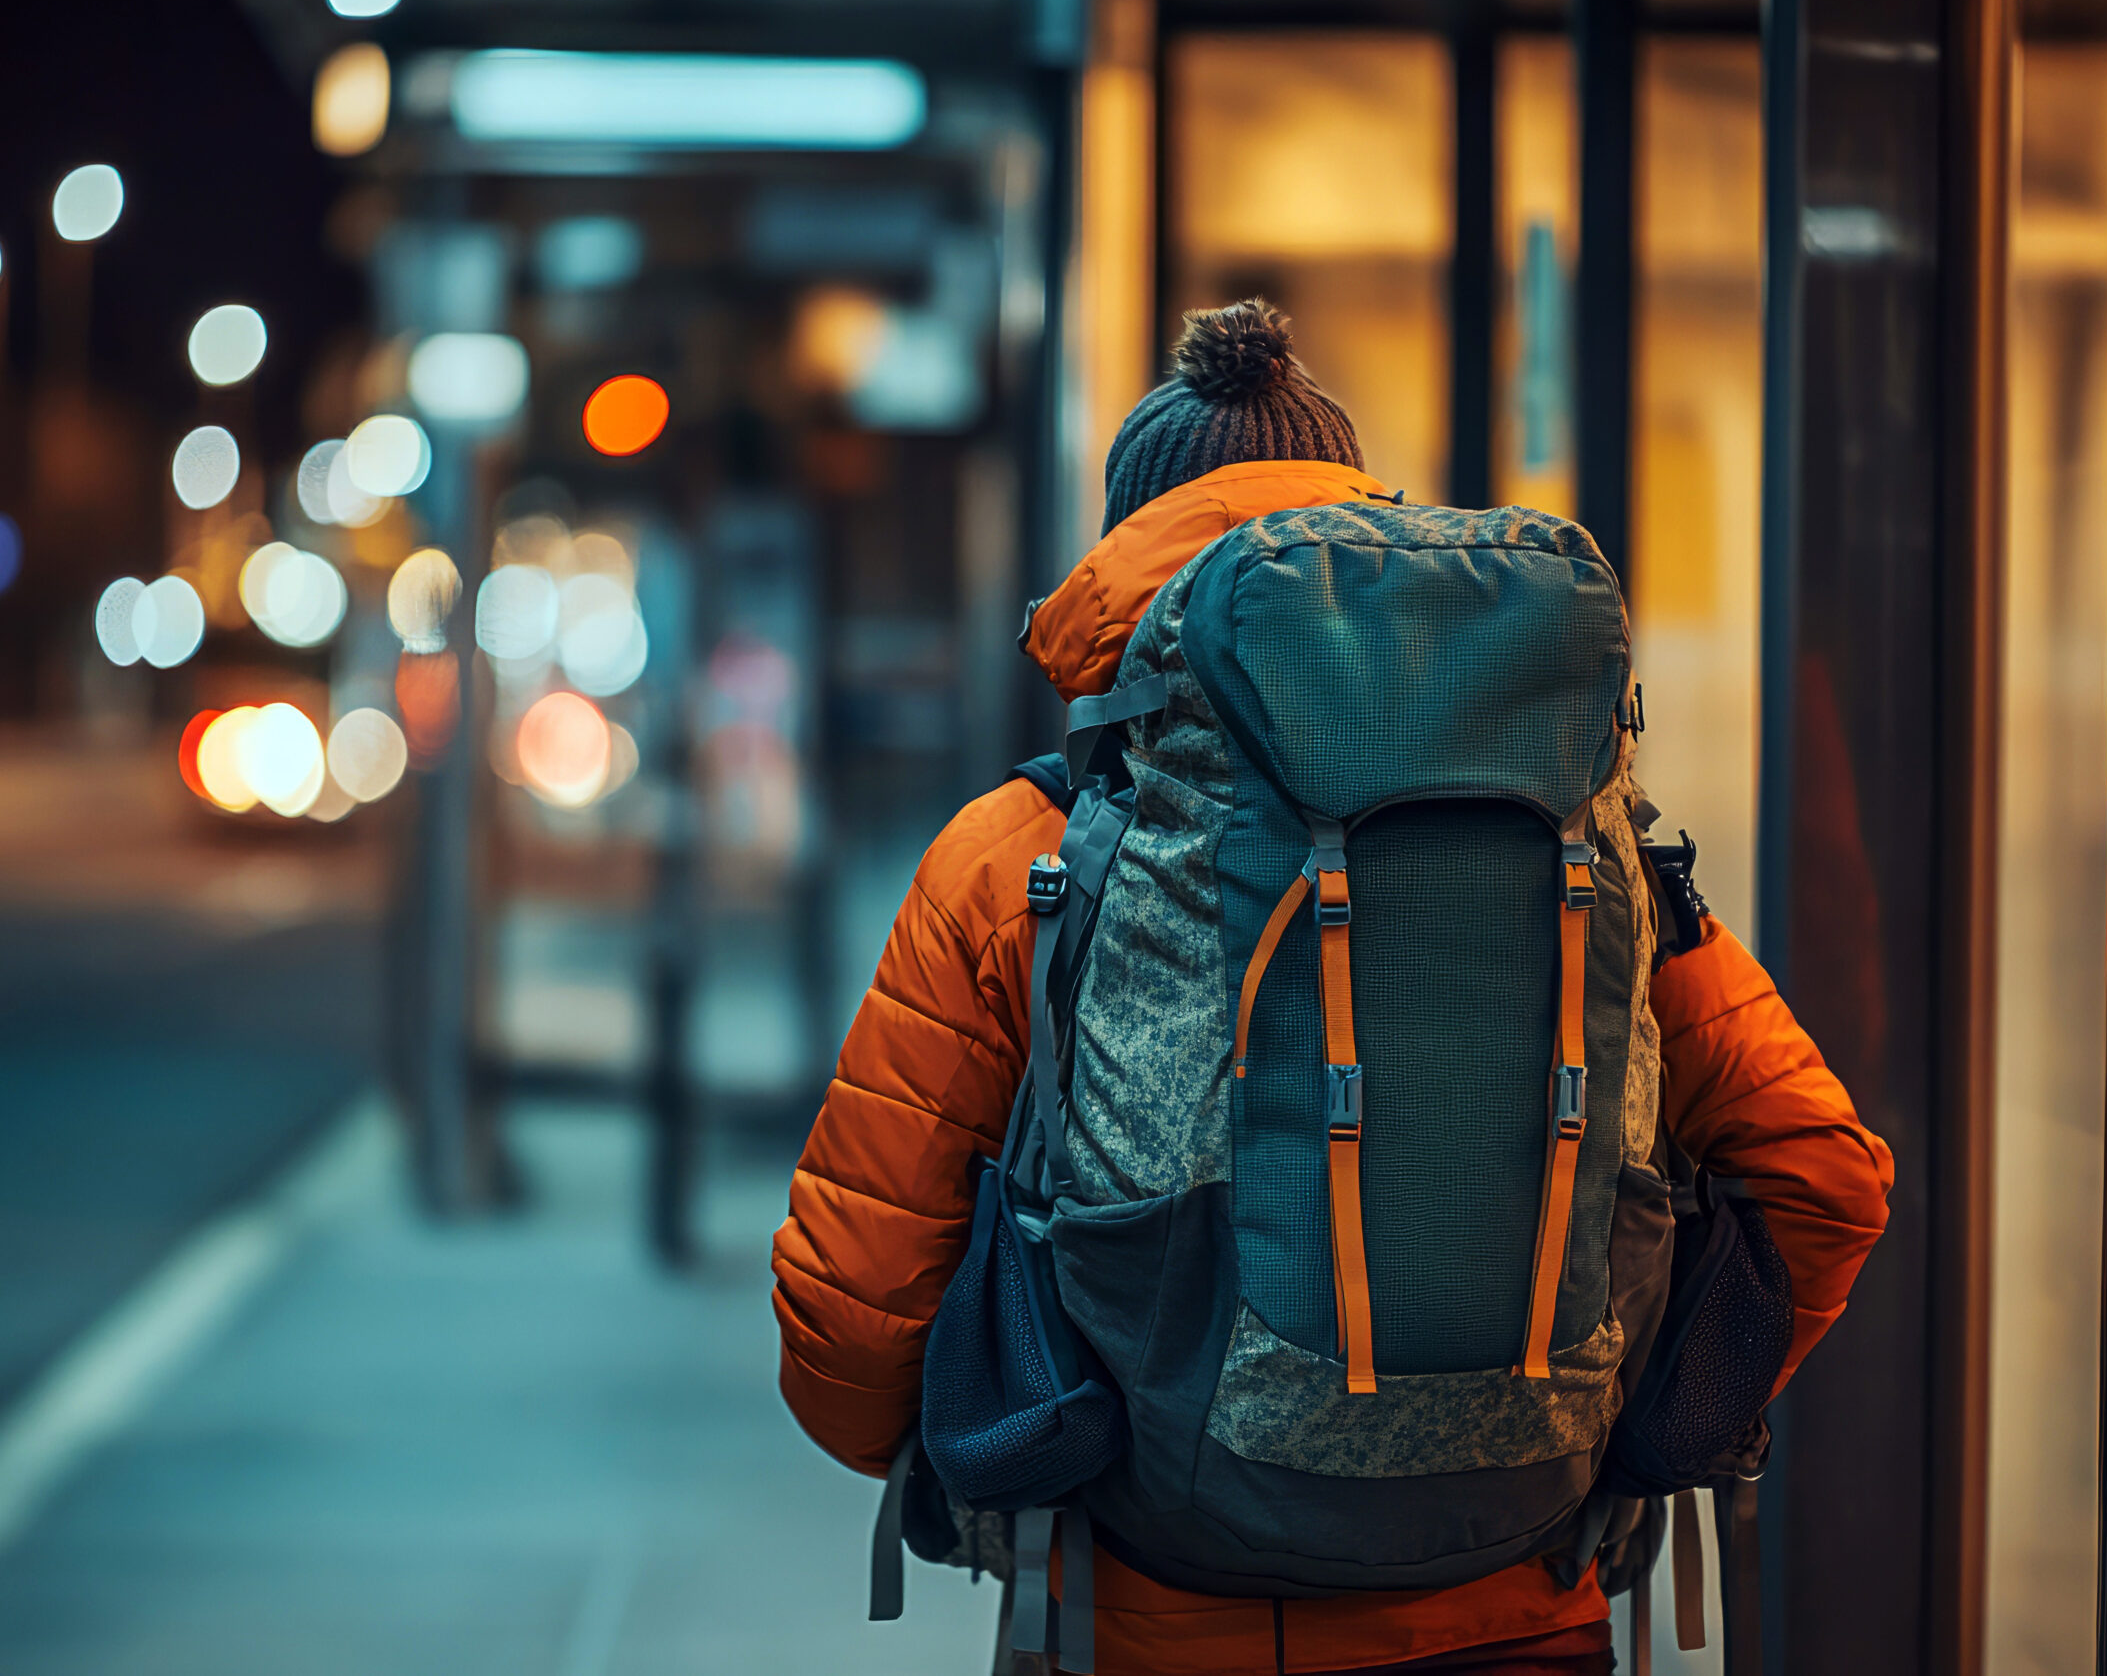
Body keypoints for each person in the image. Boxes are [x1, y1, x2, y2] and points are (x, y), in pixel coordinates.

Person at [770, 299, 1893, 1675]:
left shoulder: (1019, 858)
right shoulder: (1581, 840)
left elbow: (850, 1312)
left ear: (1126, 557)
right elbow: (1824, 1176)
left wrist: (1015, 1447)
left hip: (1140, 1619)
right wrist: (1635, 1422)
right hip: (1515, 1616)